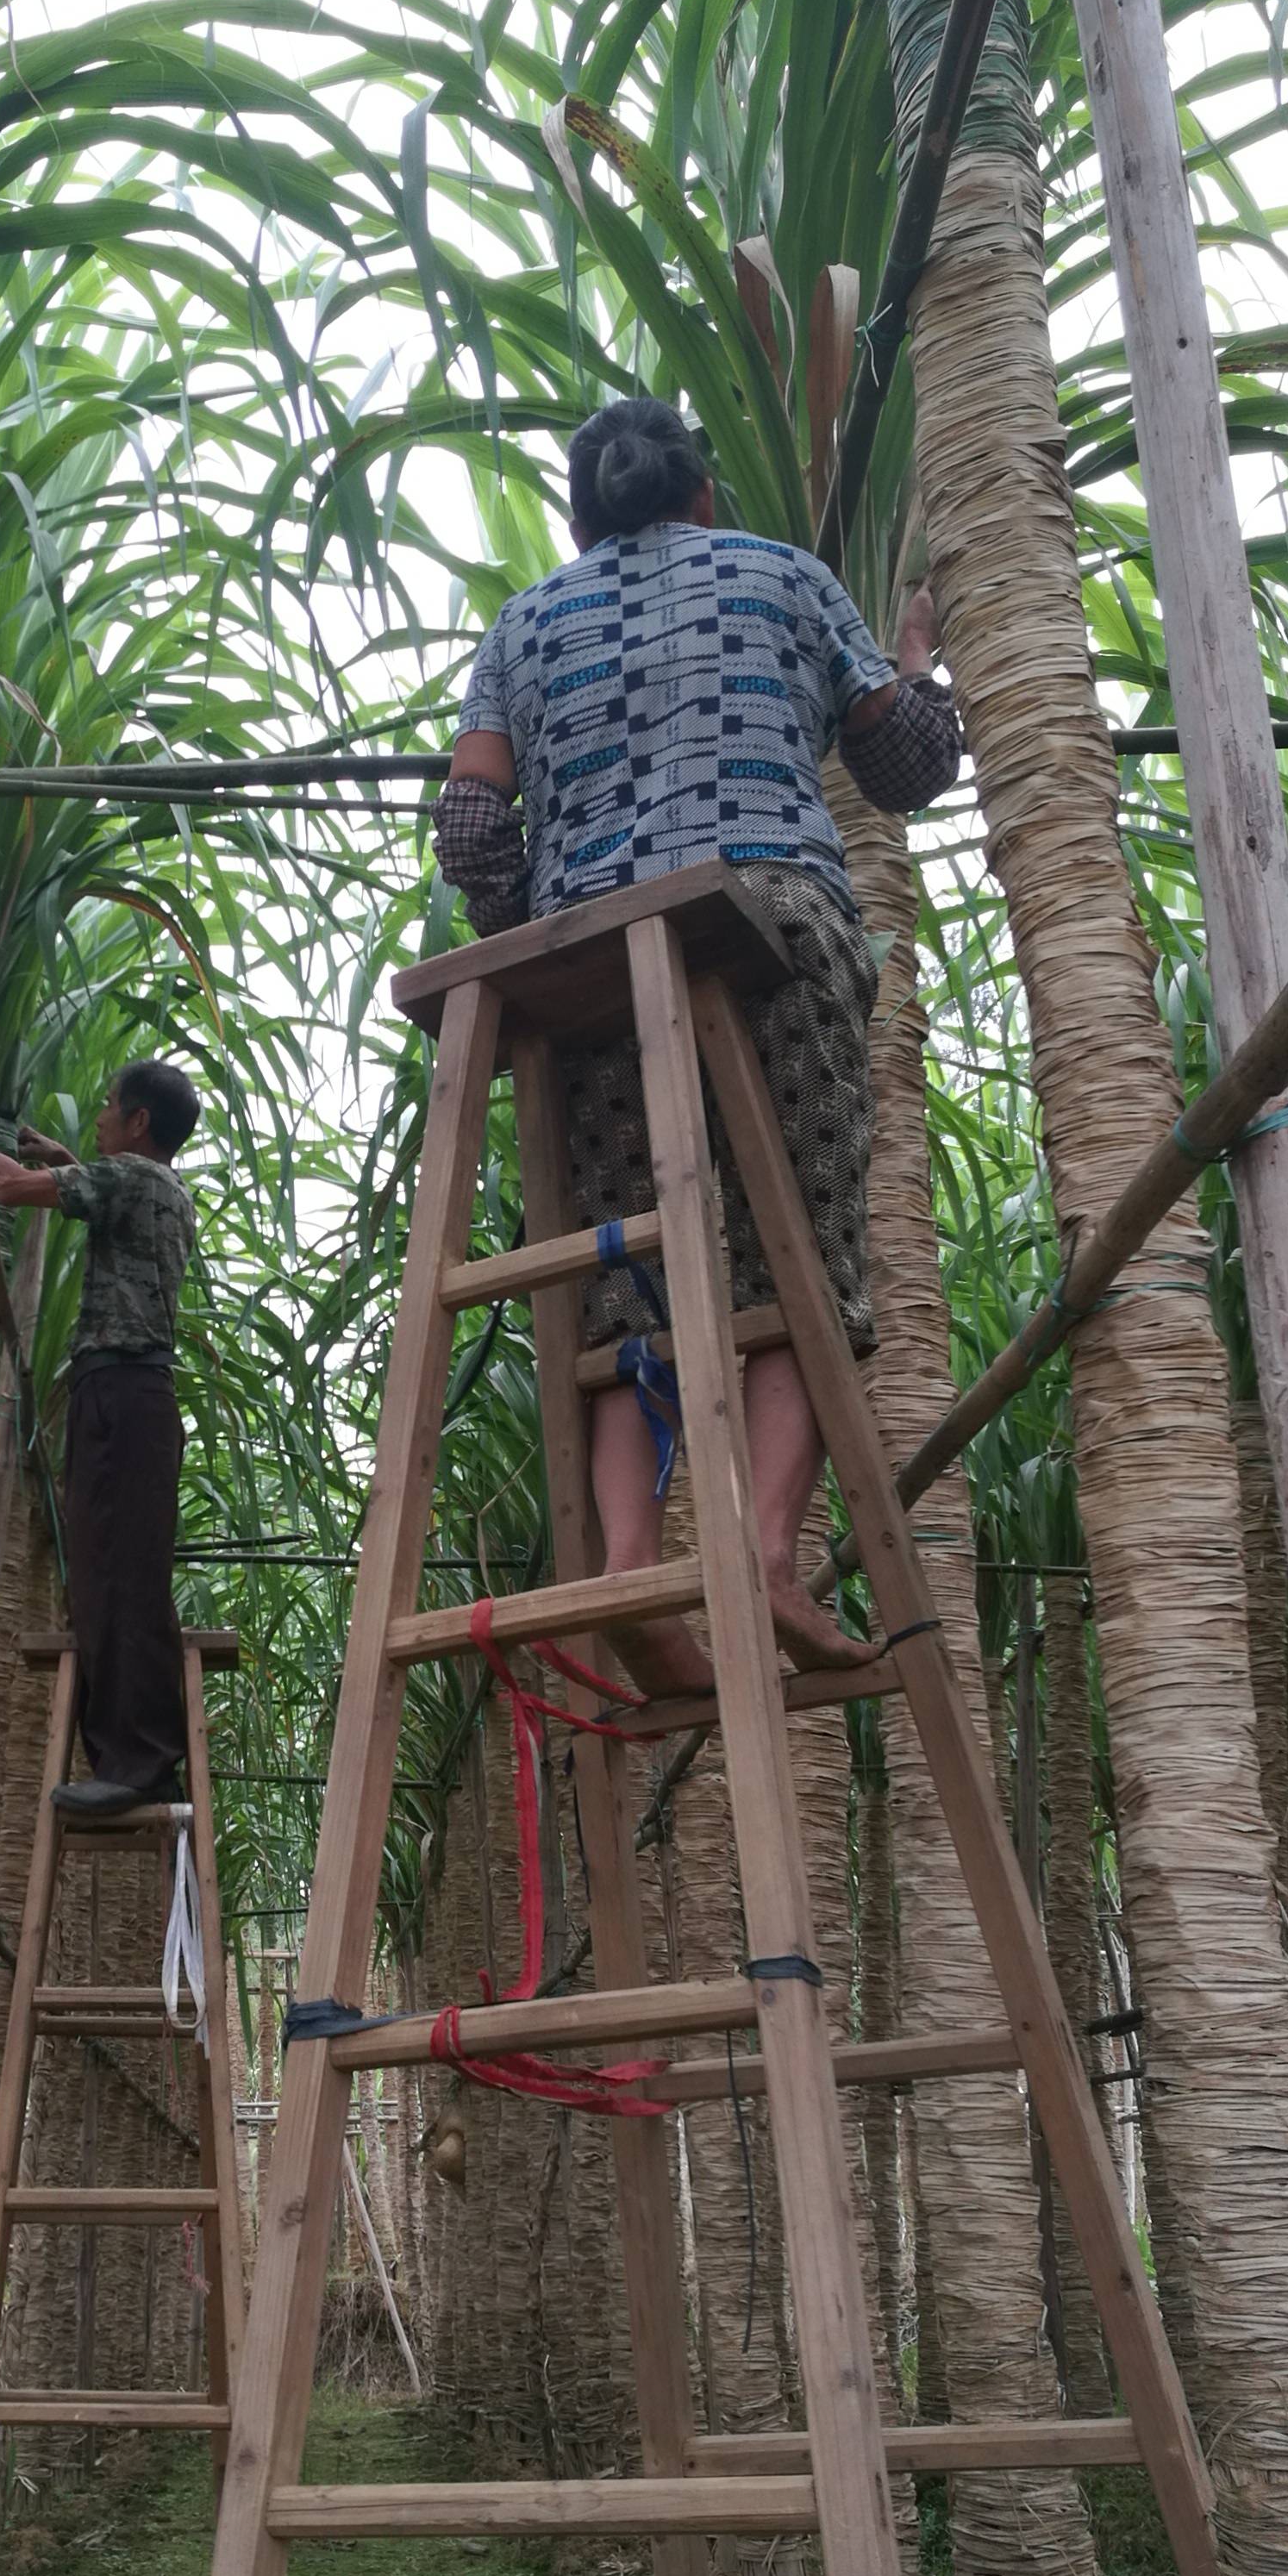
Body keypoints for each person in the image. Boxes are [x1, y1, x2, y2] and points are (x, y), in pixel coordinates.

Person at [434, 397, 960, 1697]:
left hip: (594, 963)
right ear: (704, 494)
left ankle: (624, 1564)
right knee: (806, 1244)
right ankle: (774, 1555)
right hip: (766, 921)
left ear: (583, 513)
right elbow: (902, 768)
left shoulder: (521, 626)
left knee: (624, 1265)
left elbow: (471, 830)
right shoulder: (784, 576)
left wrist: (532, 948)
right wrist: (913, 661)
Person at [0, 1059, 202, 1816]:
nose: (98, 1118)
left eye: (110, 1107)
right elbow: (95, 1192)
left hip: (119, 1395)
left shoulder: (131, 1179)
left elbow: (5, 1189)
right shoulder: (160, 1189)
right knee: (119, 1565)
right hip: (136, 1396)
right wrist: (62, 1162)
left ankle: (136, 1762)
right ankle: (134, 1756)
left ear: (140, 1124)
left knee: (116, 1575)